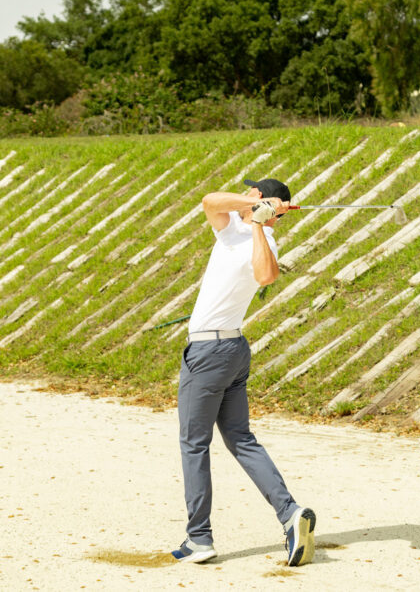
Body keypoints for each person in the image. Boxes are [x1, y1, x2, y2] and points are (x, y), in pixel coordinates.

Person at [171, 177, 316, 566]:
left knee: (193, 443)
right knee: (240, 437)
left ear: (261, 200)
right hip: (231, 350)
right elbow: (209, 200)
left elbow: (267, 276)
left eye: (251, 192)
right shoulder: (230, 225)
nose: (244, 194)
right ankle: (289, 513)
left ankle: (198, 539)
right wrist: (255, 209)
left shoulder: (261, 239)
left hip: (211, 352)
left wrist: (259, 223)